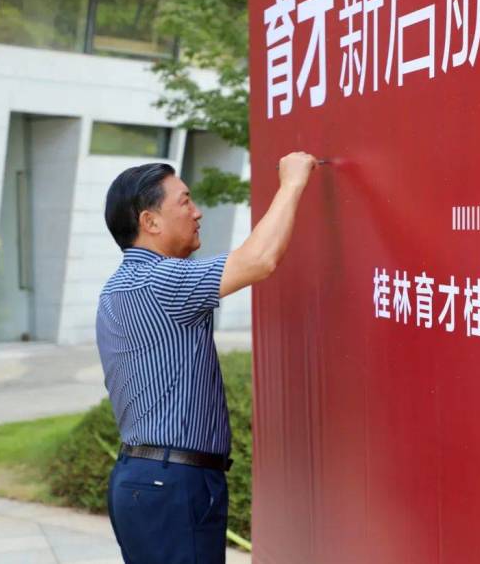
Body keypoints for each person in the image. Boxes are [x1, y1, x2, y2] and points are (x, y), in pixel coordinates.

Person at [95, 151, 318, 564]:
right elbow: (258, 260)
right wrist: (292, 184)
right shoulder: (159, 282)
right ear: (150, 222)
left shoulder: (121, 285)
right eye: (184, 202)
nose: (197, 213)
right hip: (172, 484)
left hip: (150, 479)